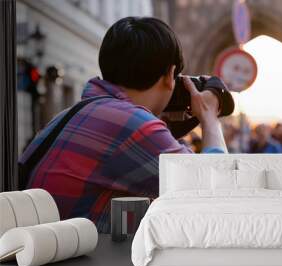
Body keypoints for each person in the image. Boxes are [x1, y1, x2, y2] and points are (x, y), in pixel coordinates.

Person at [19, 17, 227, 233]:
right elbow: (217, 194)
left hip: (38, 253)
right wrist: (209, 118)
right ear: (169, 75)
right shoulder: (136, 126)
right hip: (69, 262)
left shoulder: (72, 114)